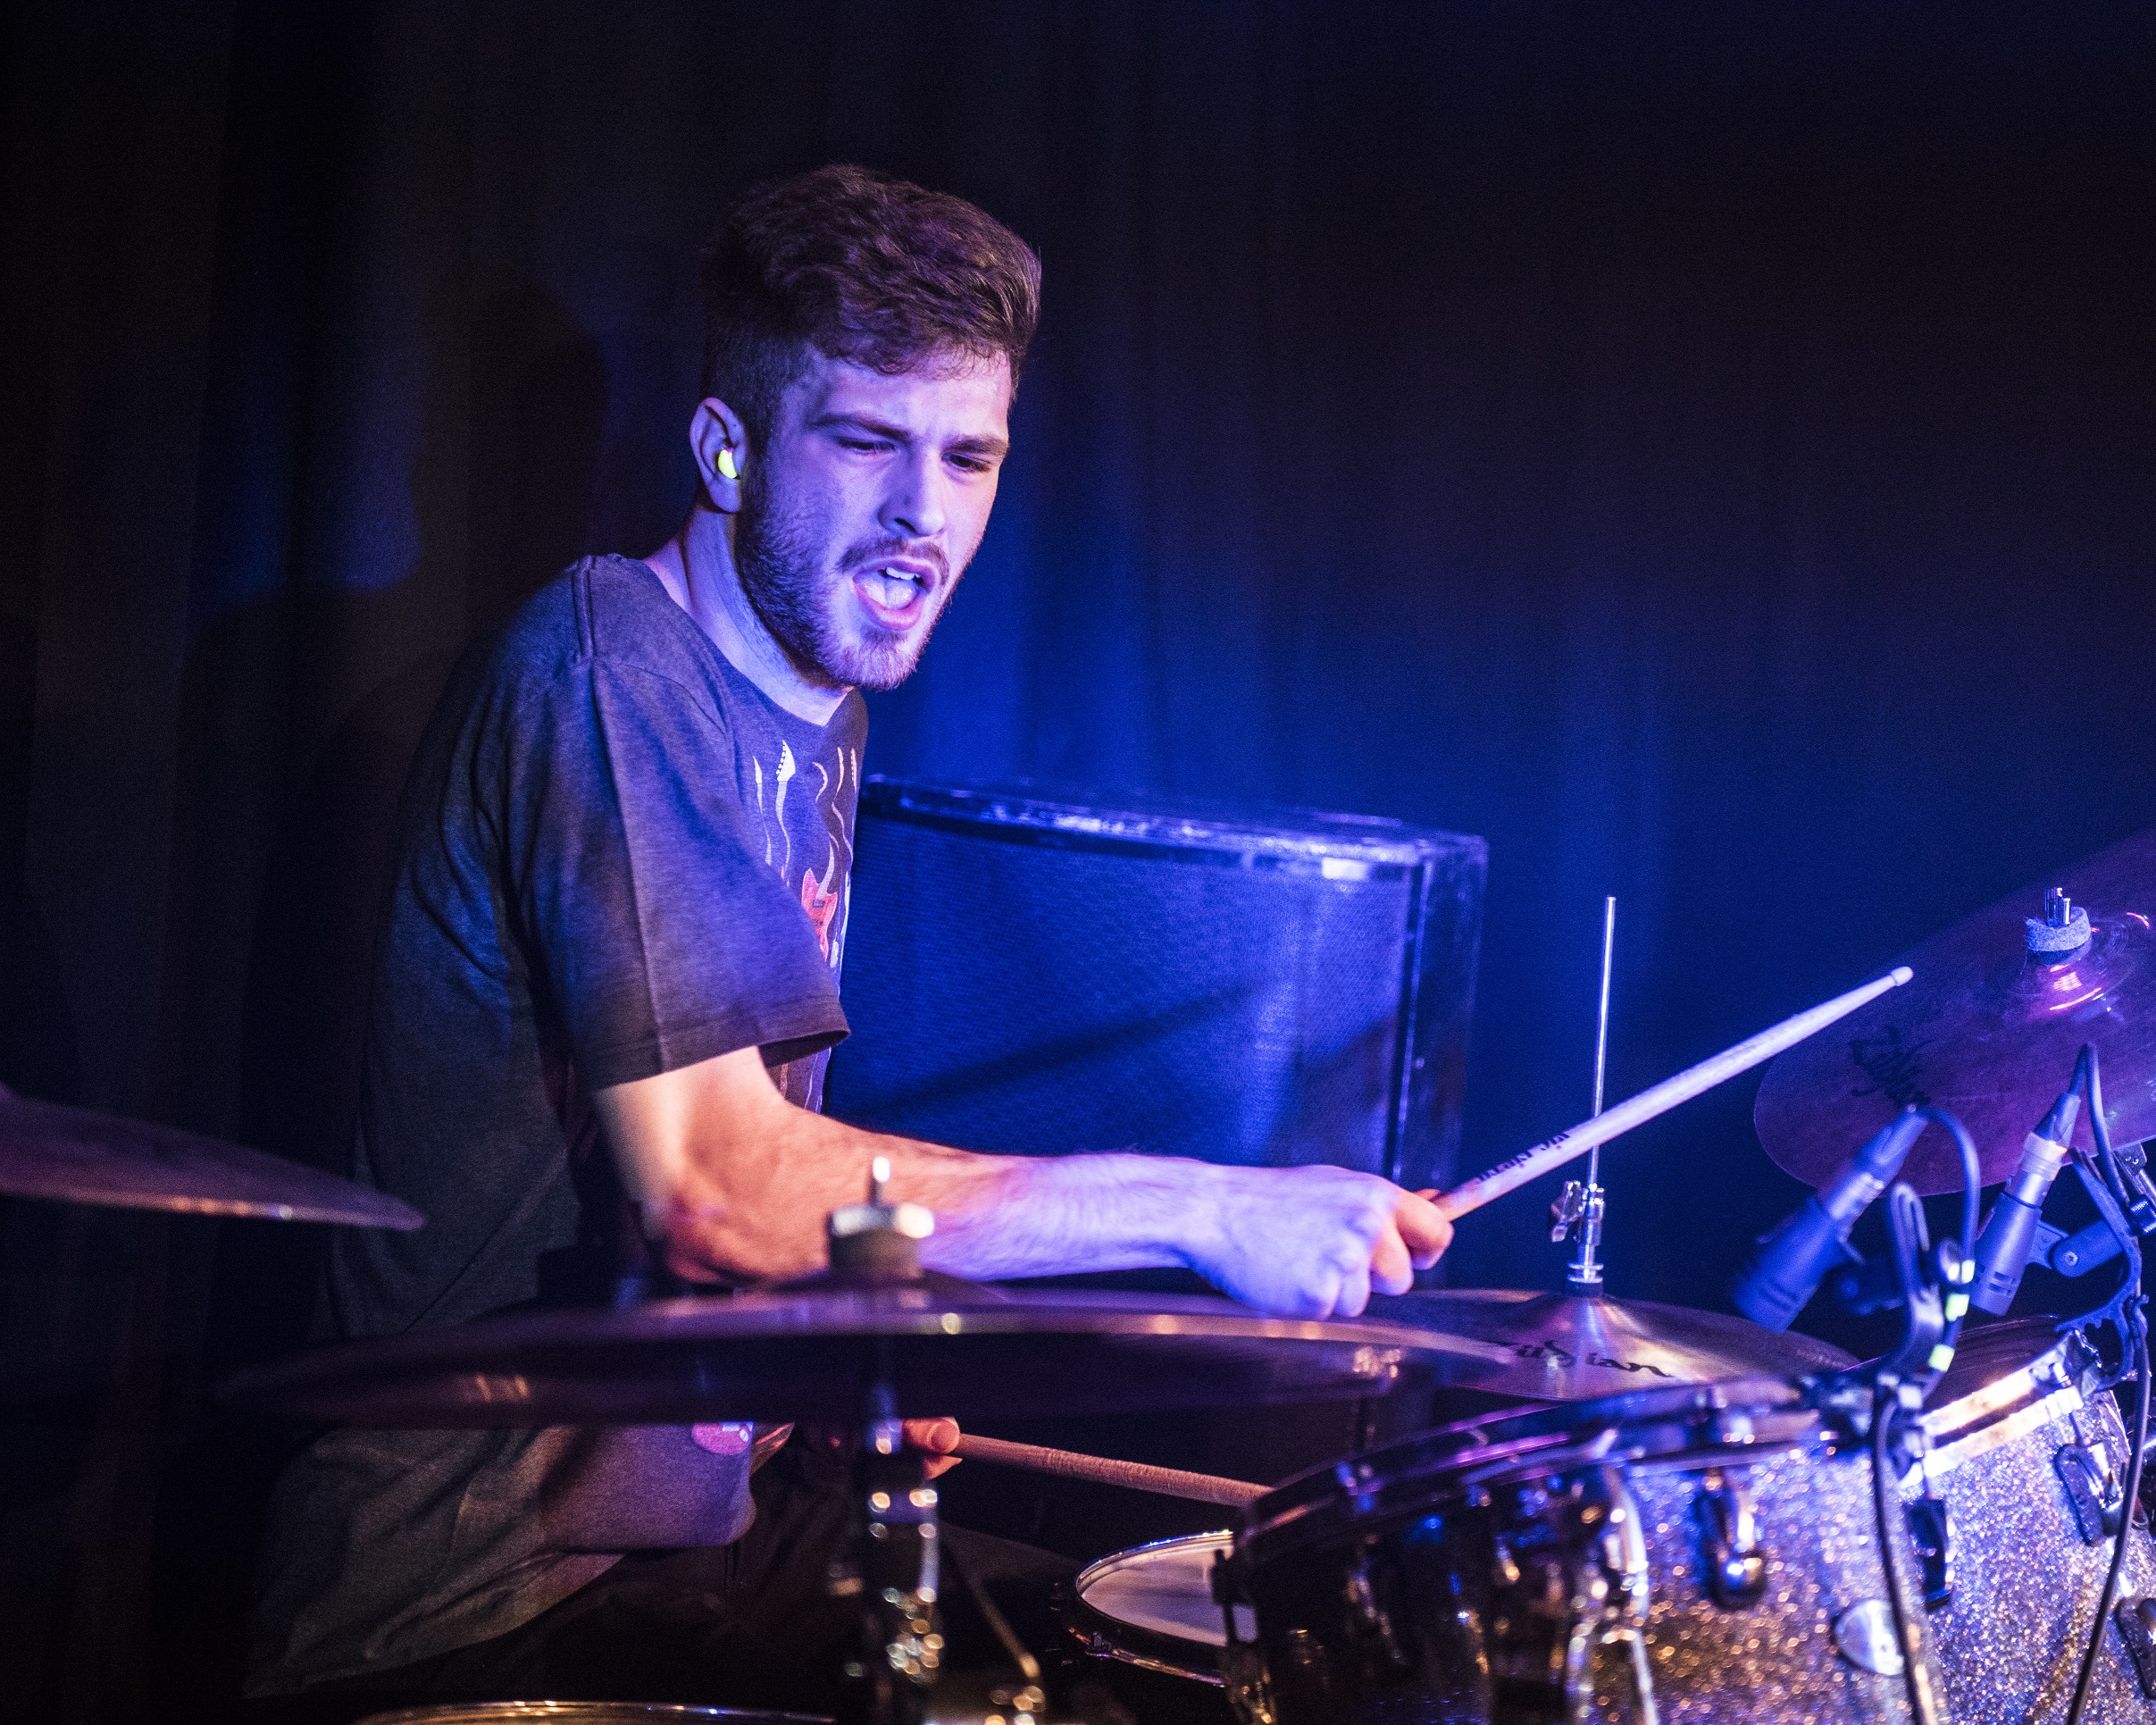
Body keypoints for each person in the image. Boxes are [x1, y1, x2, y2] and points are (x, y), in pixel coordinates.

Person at [247, 163, 1451, 1716]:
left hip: (691, 1551)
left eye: (969, 457)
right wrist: (1199, 1207)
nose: (920, 516)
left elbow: (687, 1220)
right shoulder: (616, 665)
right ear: (727, 447)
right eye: (869, 443)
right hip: (462, 1609)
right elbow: (715, 1188)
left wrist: (825, 1358)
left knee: (1176, 1663)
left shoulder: (817, 707)